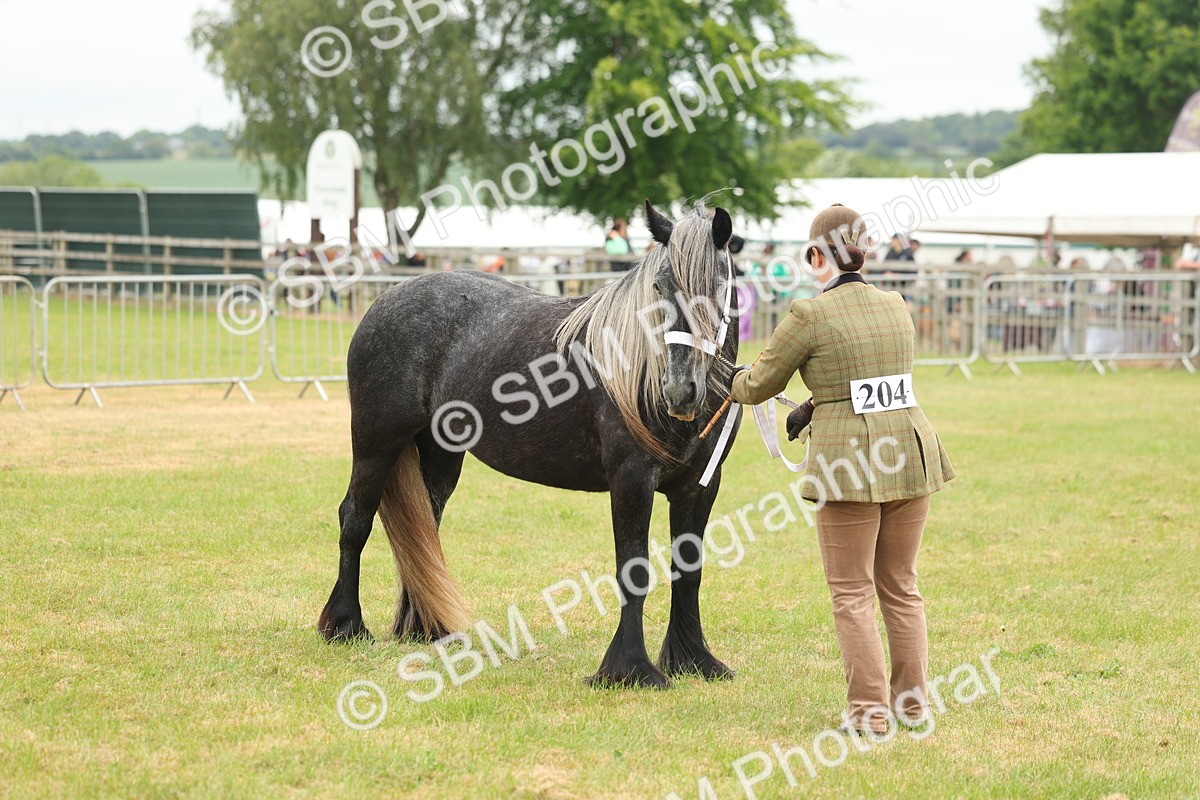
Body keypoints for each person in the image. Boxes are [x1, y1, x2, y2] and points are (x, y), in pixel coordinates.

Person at [729, 204, 955, 735]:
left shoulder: (809, 316)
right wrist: (815, 403)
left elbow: (756, 386)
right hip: (911, 454)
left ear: (815, 256)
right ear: (866, 251)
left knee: (852, 592)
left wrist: (727, 376)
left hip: (849, 463)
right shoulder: (896, 306)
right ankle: (912, 704)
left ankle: (868, 712)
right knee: (901, 586)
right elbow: (867, 381)